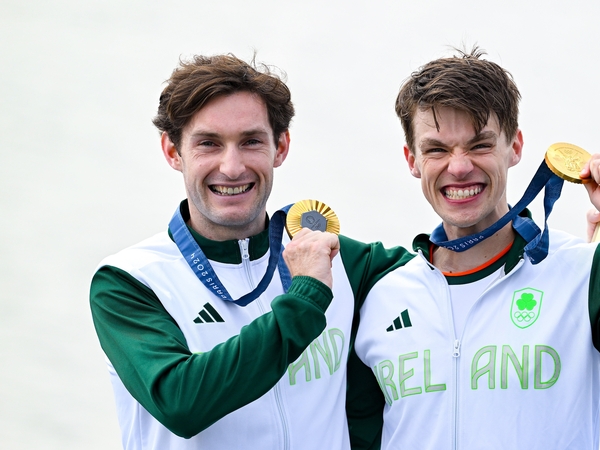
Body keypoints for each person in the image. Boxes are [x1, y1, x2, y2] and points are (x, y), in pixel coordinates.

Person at [347, 48, 600, 449]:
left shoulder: (587, 274)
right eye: (437, 150)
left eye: (479, 145)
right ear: (412, 159)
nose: (459, 167)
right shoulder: (381, 296)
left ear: (515, 147)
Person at [89, 54, 411, 450]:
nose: (231, 167)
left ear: (281, 147)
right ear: (173, 152)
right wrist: (306, 299)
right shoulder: (129, 281)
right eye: (209, 143)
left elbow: (450, 268)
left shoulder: (341, 260)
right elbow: (181, 403)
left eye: (251, 142)